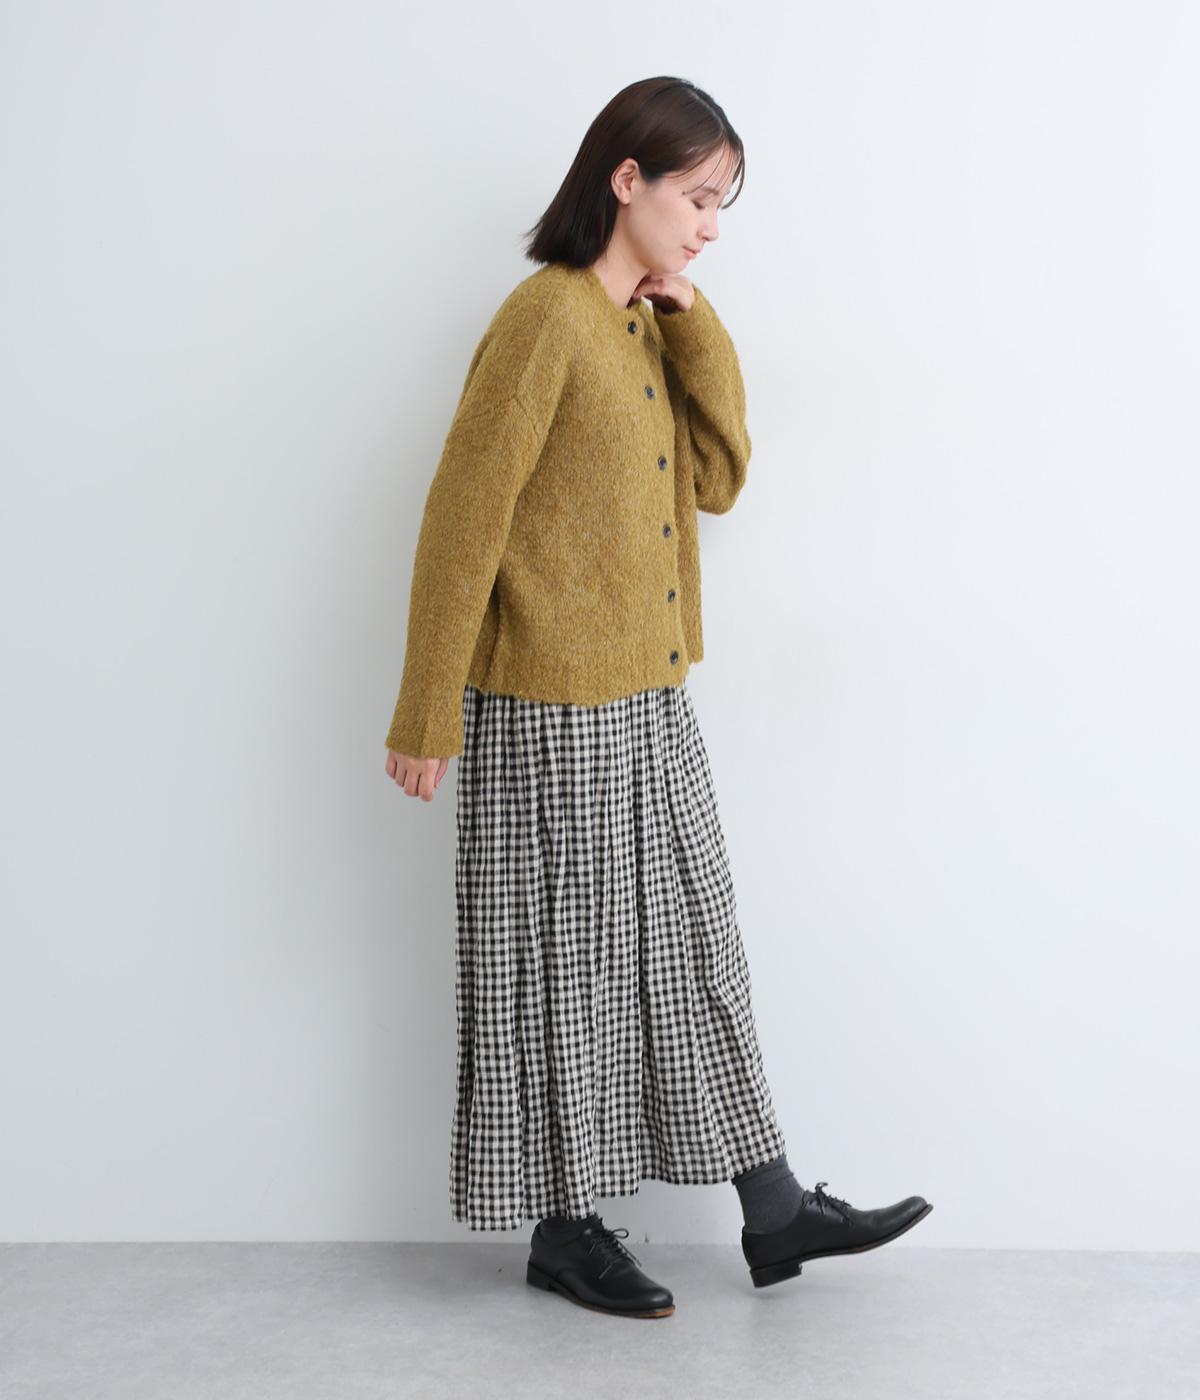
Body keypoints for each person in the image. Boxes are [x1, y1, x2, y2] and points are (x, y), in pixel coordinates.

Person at [382, 75, 932, 1319]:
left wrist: (695, 322)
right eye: (697, 197)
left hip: (649, 697)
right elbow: (462, 521)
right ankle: (565, 1227)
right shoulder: (544, 320)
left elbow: (722, 476)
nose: (710, 226)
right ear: (624, 180)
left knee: (695, 944)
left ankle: (773, 1207)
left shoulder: (644, 323)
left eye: (723, 203)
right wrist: (426, 709)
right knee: (564, 968)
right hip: (549, 704)